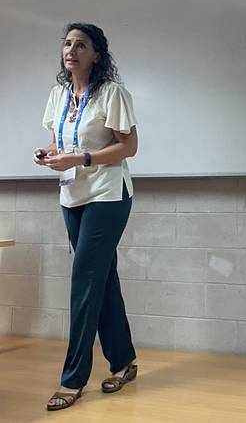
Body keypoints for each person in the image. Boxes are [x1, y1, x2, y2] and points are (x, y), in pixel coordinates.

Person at [34, 23, 139, 411]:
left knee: (84, 281)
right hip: (72, 194)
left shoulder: (112, 93)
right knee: (102, 279)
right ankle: (124, 362)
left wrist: (82, 158)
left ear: (97, 54)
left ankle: (72, 379)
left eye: (82, 45)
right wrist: (46, 154)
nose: (72, 50)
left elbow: (129, 146)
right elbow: (62, 141)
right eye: (67, 43)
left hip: (108, 196)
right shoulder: (58, 94)